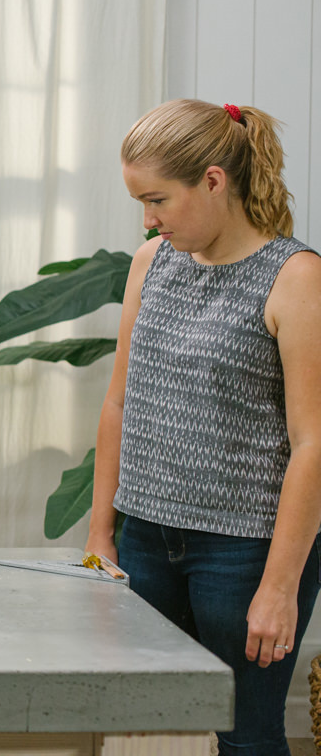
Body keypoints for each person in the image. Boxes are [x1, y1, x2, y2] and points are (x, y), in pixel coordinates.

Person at [85, 99, 321, 755]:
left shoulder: (297, 279)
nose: (148, 218)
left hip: (243, 555)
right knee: (150, 731)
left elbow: (313, 445)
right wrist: (102, 533)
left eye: (158, 199)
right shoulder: (150, 263)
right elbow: (119, 405)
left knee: (244, 734)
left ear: (214, 181)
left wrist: (278, 588)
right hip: (146, 544)